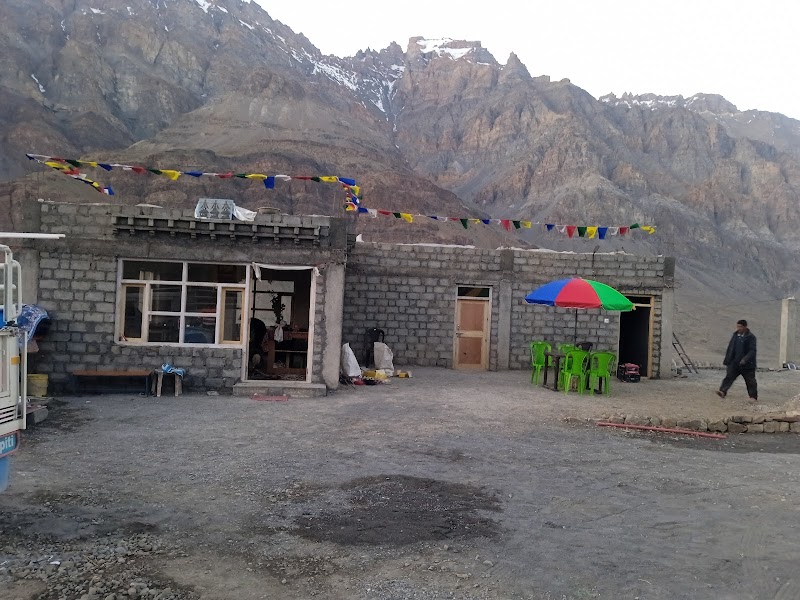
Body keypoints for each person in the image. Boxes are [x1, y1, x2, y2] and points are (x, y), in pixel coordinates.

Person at [716, 319, 757, 402]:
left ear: (745, 327)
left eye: (740, 327)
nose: (739, 328)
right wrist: (728, 360)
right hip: (734, 363)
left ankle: (753, 397)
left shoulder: (751, 337)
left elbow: (752, 350)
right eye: (738, 326)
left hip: (747, 364)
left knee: (750, 381)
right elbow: (731, 348)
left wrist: (745, 359)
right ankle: (723, 391)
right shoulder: (735, 335)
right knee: (729, 377)